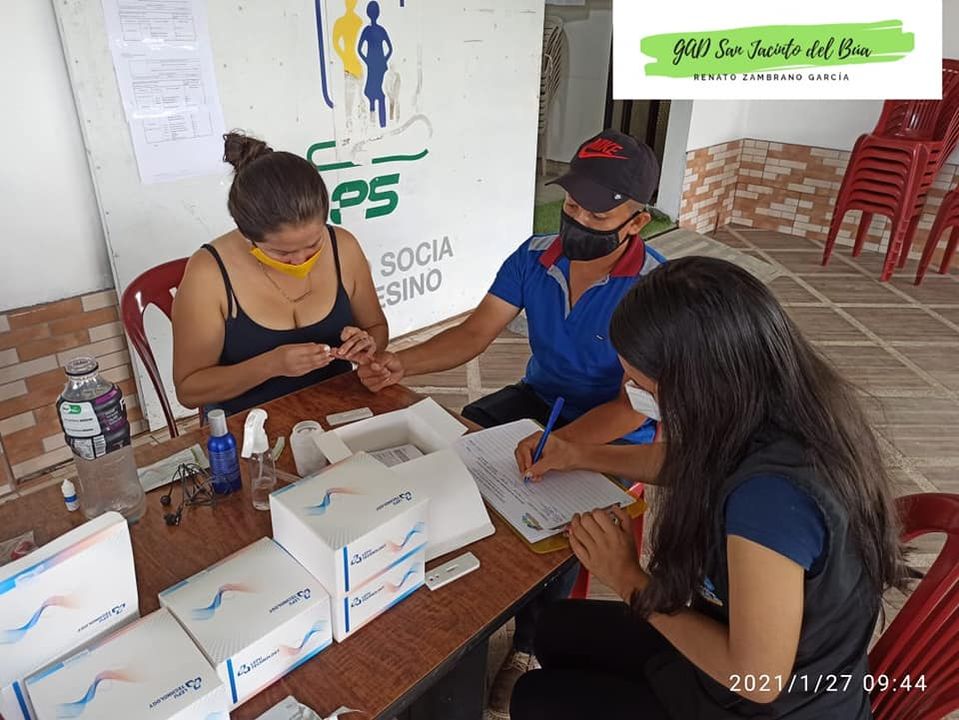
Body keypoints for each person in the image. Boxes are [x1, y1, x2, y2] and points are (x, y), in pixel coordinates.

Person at [510, 257, 907, 720]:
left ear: (698, 384)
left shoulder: (771, 500)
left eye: (642, 385)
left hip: (765, 703)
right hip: (738, 650)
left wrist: (627, 578)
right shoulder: (776, 407)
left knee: (535, 698)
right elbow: (688, 462)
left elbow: (758, 679)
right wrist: (578, 453)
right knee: (556, 629)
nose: (629, 390)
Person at [357, 129, 668, 717]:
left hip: (615, 425)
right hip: (538, 397)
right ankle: (450, 592)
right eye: (572, 203)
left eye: (597, 212)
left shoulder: (655, 289)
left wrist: (567, 445)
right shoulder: (535, 256)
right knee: (450, 450)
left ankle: (528, 645)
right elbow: (475, 333)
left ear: (637, 221)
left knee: (557, 517)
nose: (577, 219)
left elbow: (636, 403)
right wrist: (400, 362)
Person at [172, 131, 388, 416]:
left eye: (313, 244)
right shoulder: (209, 273)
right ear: (246, 233)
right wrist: (270, 365)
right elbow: (189, 390)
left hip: (340, 409)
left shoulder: (343, 247)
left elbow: (376, 328)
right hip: (250, 426)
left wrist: (366, 346)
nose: (300, 260)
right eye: (281, 253)